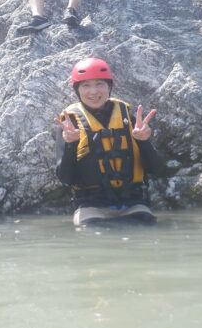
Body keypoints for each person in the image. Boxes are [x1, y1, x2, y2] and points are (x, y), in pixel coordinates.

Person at [54, 57, 161, 225]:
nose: (93, 92)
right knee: (93, 234)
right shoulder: (70, 123)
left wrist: (144, 141)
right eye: (86, 85)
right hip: (90, 206)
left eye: (99, 84)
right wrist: (71, 145)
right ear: (77, 90)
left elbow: (157, 170)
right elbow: (66, 178)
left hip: (133, 203)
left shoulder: (128, 117)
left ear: (109, 87)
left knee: (145, 226)